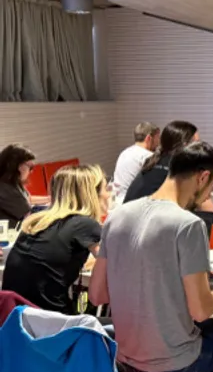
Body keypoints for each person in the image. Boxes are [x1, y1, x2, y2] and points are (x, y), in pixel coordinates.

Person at [89, 142, 213, 372]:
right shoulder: (188, 225)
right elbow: (201, 311)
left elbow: (97, 294)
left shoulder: (117, 216)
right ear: (202, 177)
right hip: (169, 366)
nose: (209, 194)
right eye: (212, 186)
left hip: (124, 361)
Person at [2, 165, 110, 313]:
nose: (108, 195)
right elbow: (115, 266)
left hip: (15, 317)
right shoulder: (85, 225)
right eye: (106, 189)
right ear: (92, 194)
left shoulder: (37, 221)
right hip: (52, 320)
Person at [124, 120, 198, 203]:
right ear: (185, 145)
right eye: (197, 144)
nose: (200, 149)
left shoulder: (154, 161)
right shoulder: (179, 167)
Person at [113, 122, 160, 203]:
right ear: (148, 138)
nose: (159, 142)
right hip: (132, 203)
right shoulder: (148, 156)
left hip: (116, 200)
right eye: (158, 138)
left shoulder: (125, 152)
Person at [0, 144, 36, 224]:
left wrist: (49, 198)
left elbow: (28, 199)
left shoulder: (13, 184)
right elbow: (28, 216)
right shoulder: (6, 190)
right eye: (30, 167)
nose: (31, 171)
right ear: (19, 167)